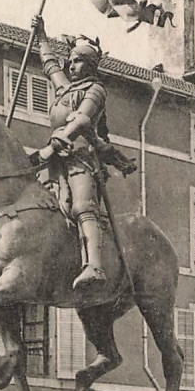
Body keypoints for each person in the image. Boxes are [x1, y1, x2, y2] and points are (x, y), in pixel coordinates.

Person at [31, 15, 134, 290]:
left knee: (82, 206)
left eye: (76, 61)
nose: (70, 64)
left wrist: (50, 147)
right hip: (54, 162)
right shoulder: (64, 89)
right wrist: (41, 34)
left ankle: (94, 266)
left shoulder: (96, 90)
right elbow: (49, 63)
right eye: (71, 60)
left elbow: (81, 121)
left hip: (81, 160)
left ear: (88, 64)